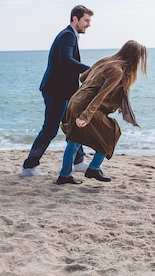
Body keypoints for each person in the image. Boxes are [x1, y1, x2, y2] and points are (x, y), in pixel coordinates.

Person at [56, 40, 148, 184]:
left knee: (75, 139)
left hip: (75, 100)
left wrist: (94, 81)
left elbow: (83, 77)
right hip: (85, 106)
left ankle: (65, 175)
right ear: (134, 57)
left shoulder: (106, 61)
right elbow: (102, 95)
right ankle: (93, 168)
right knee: (112, 131)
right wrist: (86, 116)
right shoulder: (117, 71)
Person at [21, 5, 94, 177]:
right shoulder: (67, 35)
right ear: (75, 19)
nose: (88, 25)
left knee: (72, 125)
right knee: (50, 130)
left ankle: (79, 161)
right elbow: (66, 60)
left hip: (64, 91)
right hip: (55, 92)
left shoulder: (71, 36)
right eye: (86, 20)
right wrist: (90, 70)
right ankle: (29, 167)